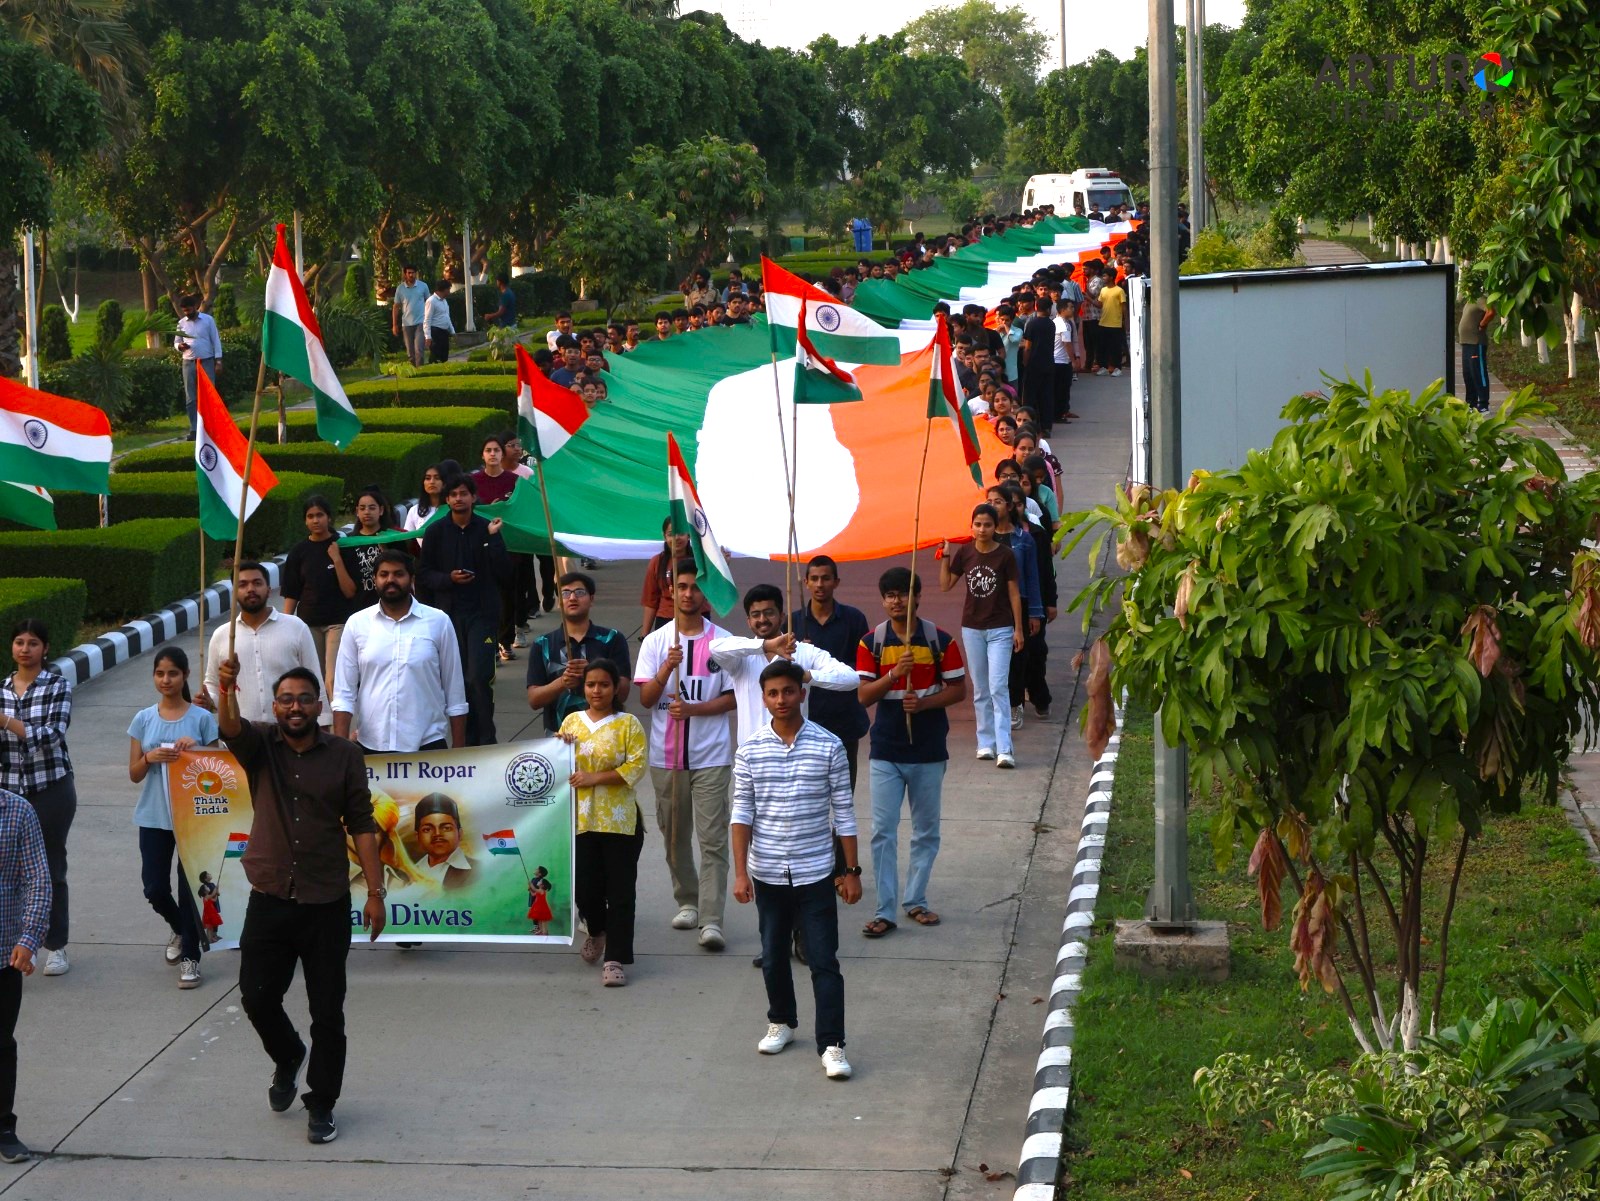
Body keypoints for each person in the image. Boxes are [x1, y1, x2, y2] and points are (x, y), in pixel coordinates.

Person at [214, 657, 386, 1146]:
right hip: (270, 897)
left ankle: (322, 1104)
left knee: (328, 1011)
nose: (295, 707)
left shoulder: (344, 756)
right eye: (286, 699)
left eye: (304, 699)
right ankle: (289, 1055)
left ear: (320, 706)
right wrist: (227, 688)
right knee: (256, 996)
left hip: (325, 901)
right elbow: (229, 726)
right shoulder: (260, 744)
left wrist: (375, 893)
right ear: (275, 706)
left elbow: (363, 825)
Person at [730, 661, 860, 1080]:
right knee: (772, 957)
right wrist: (740, 873)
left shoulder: (829, 746)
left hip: (816, 871)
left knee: (824, 960)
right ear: (763, 698)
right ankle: (782, 1021)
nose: (781, 700)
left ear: (802, 693)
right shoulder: (749, 749)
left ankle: (833, 1045)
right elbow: (741, 814)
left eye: (788, 691)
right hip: (767, 871)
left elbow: (844, 812)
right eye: (773, 693)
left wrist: (851, 870)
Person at [855, 568, 966, 937]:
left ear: (917, 596)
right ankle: (885, 910)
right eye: (890, 594)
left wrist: (925, 704)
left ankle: (915, 900)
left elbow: (958, 690)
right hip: (886, 749)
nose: (896, 600)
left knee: (926, 831)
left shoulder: (940, 640)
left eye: (903, 593)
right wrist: (893, 675)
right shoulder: (871, 643)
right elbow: (864, 695)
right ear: (883, 599)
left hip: (929, 750)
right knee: (882, 832)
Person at [633, 561, 736, 952]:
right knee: (674, 836)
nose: (689, 593)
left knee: (712, 840)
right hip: (666, 757)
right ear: (670, 592)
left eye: (696, 587)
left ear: (705, 594)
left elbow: (731, 699)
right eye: (682, 586)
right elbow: (645, 698)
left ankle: (711, 919)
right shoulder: (656, 642)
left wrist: (694, 710)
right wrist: (666, 669)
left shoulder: (722, 642)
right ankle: (687, 901)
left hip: (711, 756)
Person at [127, 647, 217, 989]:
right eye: (160, 673)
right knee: (154, 886)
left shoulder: (201, 718)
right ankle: (181, 927)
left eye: (173, 673)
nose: (166, 680)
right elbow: (134, 774)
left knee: (190, 889)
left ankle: (192, 957)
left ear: (185, 676)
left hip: (193, 817)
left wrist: (198, 750)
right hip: (153, 816)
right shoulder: (143, 719)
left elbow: (220, 769)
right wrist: (149, 757)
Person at [558, 659, 648, 987]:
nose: (597, 690)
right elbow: (556, 762)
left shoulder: (628, 724)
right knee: (586, 889)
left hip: (620, 823)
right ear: (583, 688)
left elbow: (636, 767)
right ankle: (597, 930)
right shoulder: (571, 722)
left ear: (615, 688)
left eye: (604, 684)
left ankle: (615, 958)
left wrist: (595, 777)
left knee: (621, 892)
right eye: (591, 684)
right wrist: (558, 747)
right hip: (580, 821)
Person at [333, 550, 467, 753]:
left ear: (411, 579)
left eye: (398, 574)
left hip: (428, 743)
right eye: (384, 574)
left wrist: (459, 750)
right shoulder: (357, 624)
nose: (391, 580)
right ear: (374, 580)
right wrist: (339, 751)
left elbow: (455, 690)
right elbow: (344, 693)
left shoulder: (438, 622)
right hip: (372, 745)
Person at [0, 621, 75, 978]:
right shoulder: (1, 688)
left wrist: (6, 723)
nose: (25, 649)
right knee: (7, 871)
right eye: (19, 642)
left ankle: (55, 945)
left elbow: (52, 735)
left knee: (48, 868)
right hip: (8, 792)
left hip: (50, 788)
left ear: (45, 648)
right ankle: (13, 944)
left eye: (33, 643)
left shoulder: (57, 685)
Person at [418, 476, 510, 746]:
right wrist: (449, 579)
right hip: (448, 617)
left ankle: (486, 738)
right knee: (456, 681)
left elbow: (504, 573)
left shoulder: (487, 528)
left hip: (482, 615)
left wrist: (493, 541)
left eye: (463, 494)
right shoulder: (435, 532)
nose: (458, 498)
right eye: (453, 494)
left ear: (473, 497)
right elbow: (423, 575)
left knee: (478, 677)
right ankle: (464, 740)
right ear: (447, 500)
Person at [710, 585, 859, 748]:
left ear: (782, 616)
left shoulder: (804, 651)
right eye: (755, 615)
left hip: (796, 753)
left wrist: (806, 676)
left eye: (769, 613)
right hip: (752, 755)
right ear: (748, 621)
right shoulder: (741, 657)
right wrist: (766, 645)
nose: (762, 619)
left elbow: (851, 679)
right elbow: (714, 648)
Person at [940, 505, 1024, 768]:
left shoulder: (1006, 556)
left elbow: (1013, 593)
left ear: (995, 526)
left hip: (1001, 628)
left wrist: (1018, 628)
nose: (982, 529)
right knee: (980, 689)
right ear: (972, 526)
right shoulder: (965, 553)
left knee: (998, 687)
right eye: (978, 524)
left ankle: (1005, 748)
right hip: (972, 628)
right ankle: (985, 743)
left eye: (987, 525)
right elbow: (945, 585)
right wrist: (945, 556)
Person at [789, 556, 871, 788]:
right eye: (814, 579)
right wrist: (800, 651)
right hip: (807, 716)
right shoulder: (793, 622)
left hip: (845, 715)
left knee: (844, 786)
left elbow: (862, 667)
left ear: (836, 582)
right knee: (808, 786)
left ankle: (840, 826)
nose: (819, 584)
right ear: (805, 582)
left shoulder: (854, 619)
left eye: (825, 578)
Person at [0, 777, 49, 1163]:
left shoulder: (18, 811)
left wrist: (29, 936)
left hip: (3, 954)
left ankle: (3, 1127)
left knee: (1, 1043)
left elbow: (38, 880)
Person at [525, 572, 632, 735]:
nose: (572, 598)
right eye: (565, 593)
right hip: (557, 739)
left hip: (605, 737)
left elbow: (623, 692)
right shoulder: (543, 644)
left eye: (580, 592)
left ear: (591, 599)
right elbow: (534, 699)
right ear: (559, 602)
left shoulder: (612, 639)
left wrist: (593, 674)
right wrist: (562, 682)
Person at [280, 496, 356, 694]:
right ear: (305, 521)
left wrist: (337, 559)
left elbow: (350, 591)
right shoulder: (298, 552)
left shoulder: (343, 546)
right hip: (308, 624)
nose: (315, 520)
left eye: (320, 515)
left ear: (329, 518)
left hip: (337, 622)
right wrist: (285, 626)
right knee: (314, 680)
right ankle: (318, 724)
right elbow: (292, 592)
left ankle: (336, 724)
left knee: (332, 680)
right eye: (310, 516)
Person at [337, 487, 398, 614]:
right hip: (361, 609)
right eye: (362, 508)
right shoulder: (349, 543)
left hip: (393, 607)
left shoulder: (393, 538)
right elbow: (348, 589)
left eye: (372, 507)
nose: (367, 512)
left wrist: (386, 552)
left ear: (381, 510)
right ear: (357, 512)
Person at [175, 294, 223, 440]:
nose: (187, 313)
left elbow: (215, 340)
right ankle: (194, 429)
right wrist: (179, 346)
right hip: (188, 362)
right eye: (184, 311)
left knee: (209, 395)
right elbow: (176, 342)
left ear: (195, 306)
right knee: (191, 397)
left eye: (189, 310)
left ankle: (210, 427)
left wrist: (219, 361)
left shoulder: (208, 320)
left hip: (206, 361)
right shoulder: (181, 323)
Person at [410, 794, 474, 890]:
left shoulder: (478, 871)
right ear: (417, 836)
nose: (437, 834)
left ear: (460, 833)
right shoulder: (406, 875)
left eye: (446, 828)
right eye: (427, 829)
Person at [1459, 290, 1495, 412]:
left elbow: (1491, 312)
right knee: (1468, 374)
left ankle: (1483, 404)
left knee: (1478, 373)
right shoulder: (1470, 301)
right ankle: (1471, 403)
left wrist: (1482, 324)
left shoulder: (1481, 299)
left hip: (1476, 342)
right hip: (1466, 343)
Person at [391, 266, 431, 368]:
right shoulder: (400, 289)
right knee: (410, 352)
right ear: (405, 274)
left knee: (419, 349)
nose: (411, 275)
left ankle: (420, 371)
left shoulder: (423, 286)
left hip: (421, 322)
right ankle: (413, 372)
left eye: (413, 273)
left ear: (416, 273)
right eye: (409, 273)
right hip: (407, 324)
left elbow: (429, 302)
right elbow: (396, 307)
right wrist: (394, 325)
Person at [1096, 273, 1126, 375]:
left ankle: (1117, 368)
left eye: (1105, 276)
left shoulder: (1119, 290)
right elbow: (1099, 304)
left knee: (1116, 348)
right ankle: (1103, 367)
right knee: (1102, 347)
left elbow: (1124, 308)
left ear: (1111, 277)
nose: (1103, 278)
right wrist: (1088, 298)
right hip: (1103, 322)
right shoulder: (1103, 290)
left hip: (1115, 324)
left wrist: (1126, 322)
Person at [424, 279, 454, 364]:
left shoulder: (444, 301)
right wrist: (428, 336)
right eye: (448, 289)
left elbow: (447, 317)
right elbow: (427, 319)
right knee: (436, 355)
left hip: (444, 331)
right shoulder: (431, 301)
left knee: (444, 355)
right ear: (444, 289)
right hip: (435, 331)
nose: (449, 291)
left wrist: (452, 331)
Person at [526, 867, 554, 936]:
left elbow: (534, 889)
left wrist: (530, 884)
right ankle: (541, 930)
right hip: (537, 905)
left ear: (542, 885)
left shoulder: (541, 890)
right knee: (539, 919)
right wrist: (530, 889)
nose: (538, 882)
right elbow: (533, 893)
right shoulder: (539, 889)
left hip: (541, 906)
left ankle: (545, 932)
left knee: (543, 920)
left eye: (540, 882)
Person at [197, 872, 223, 945]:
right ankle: (210, 938)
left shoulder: (212, 884)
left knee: (216, 922)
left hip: (215, 905)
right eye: (208, 874)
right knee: (211, 924)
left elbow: (217, 893)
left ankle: (215, 935)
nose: (210, 874)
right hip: (211, 907)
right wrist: (216, 889)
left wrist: (217, 890)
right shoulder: (205, 886)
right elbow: (212, 894)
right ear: (205, 878)